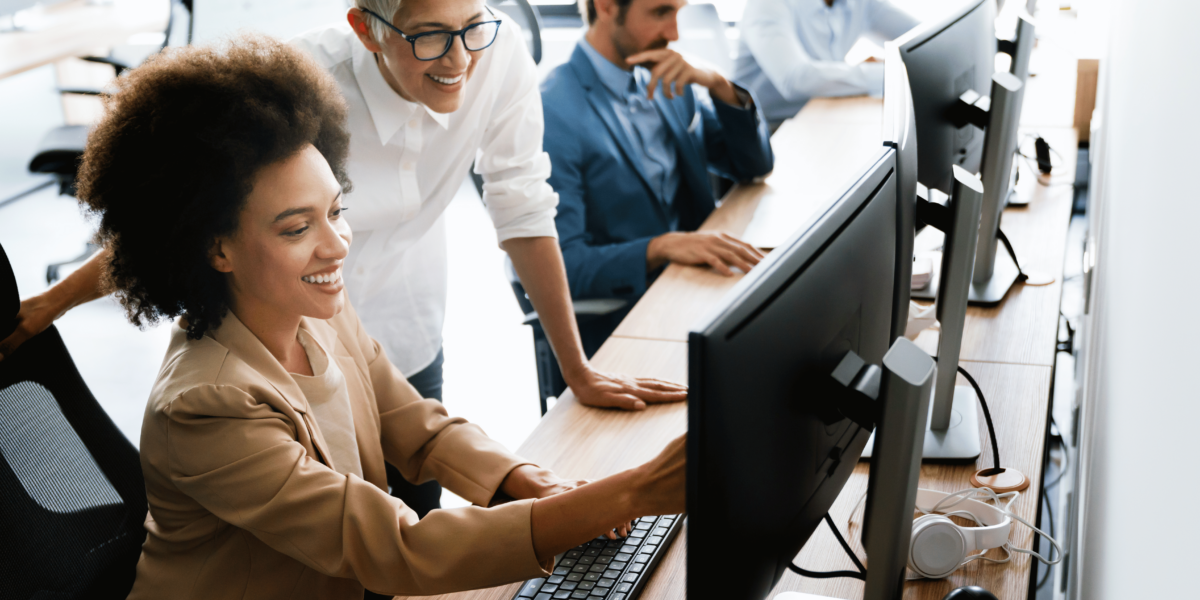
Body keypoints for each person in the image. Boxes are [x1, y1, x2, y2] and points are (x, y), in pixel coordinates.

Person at [0, 0, 687, 518]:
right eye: (428, 38)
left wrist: (577, 372)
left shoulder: (495, 50)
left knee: (417, 498)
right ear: (367, 28)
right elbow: (181, 220)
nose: (458, 60)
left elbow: (523, 205)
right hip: (281, 342)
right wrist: (51, 304)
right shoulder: (297, 87)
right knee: (333, 545)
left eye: (472, 26)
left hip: (397, 335)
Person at [541, 0, 774, 354]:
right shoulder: (552, 112)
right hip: (632, 313)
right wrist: (661, 246)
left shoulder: (669, 76)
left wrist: (718, 84)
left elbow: (752, 165)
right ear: (605, 6)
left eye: (678, 12)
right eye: (661, 12)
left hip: (700, 284)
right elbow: (563, 266)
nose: (675, 34)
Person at [735, 0, 919, 129]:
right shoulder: (767, 4)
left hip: (821, 116)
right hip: (770, 129)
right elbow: (795, 79)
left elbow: (921, 37)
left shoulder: (861, 3)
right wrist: (888, 74)